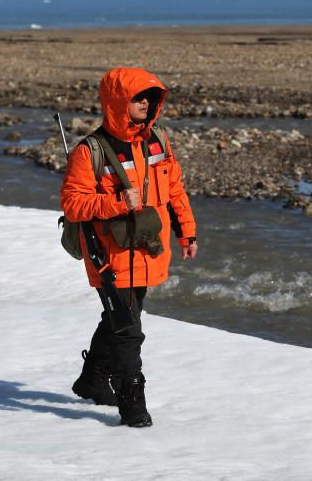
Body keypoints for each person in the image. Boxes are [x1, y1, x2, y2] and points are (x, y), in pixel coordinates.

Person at [60, 67, 197, 428]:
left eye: (150, 97)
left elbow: (176, 191)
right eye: (138, 97)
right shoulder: (90, 151)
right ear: (118, 101)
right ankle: (133, 405)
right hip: (110, 254)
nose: (145, 103)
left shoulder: (159, 141)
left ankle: (91, 381)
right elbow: (74, 205)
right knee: (128, 329)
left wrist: (188, 233)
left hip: (149, 249)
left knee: (121, 319)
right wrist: (118, 201)